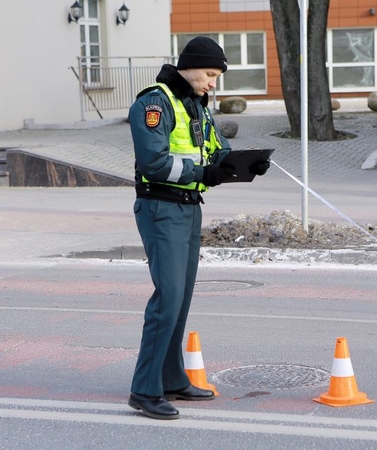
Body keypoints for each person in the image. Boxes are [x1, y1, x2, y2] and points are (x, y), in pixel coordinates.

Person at [126, 36, 270, 420]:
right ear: (188, 67)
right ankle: (144, 390)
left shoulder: (195, 105)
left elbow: (217, 152)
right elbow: (154, 163)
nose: (212, 82)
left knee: (181, 300)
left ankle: (171, 379)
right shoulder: (154, 103)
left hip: (189, 209)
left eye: (216, 76)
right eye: (209, 74)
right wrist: (203, 173)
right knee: (168, 299)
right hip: (161, 208)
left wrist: (246, 164)